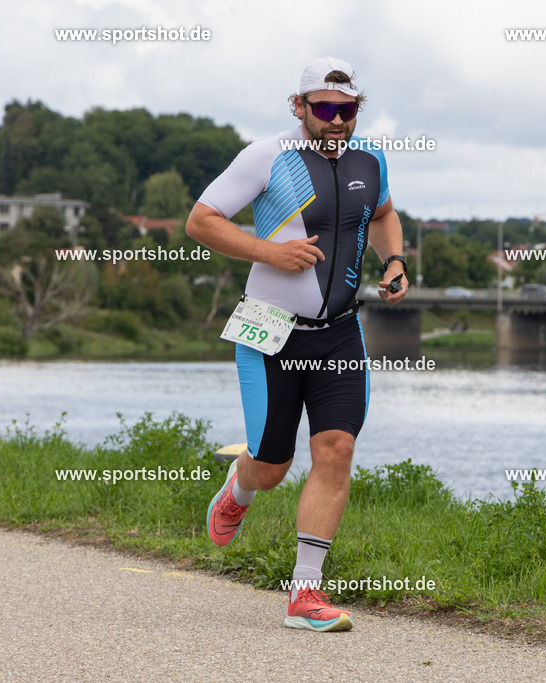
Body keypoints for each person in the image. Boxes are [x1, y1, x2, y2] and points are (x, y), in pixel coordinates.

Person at [186, 56, 408, 632]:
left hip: (339, 332)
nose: (337, 120)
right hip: (270, 329)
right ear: (299, 106)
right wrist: (270, 252)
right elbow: (201, 220)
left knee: (336, 448)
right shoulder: (266, 156)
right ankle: (240, 487)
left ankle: (305, 593)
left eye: (347, 109)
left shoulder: (371, 160)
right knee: (272, 466)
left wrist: (395, 261)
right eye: (325, 108)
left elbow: (383, 214)